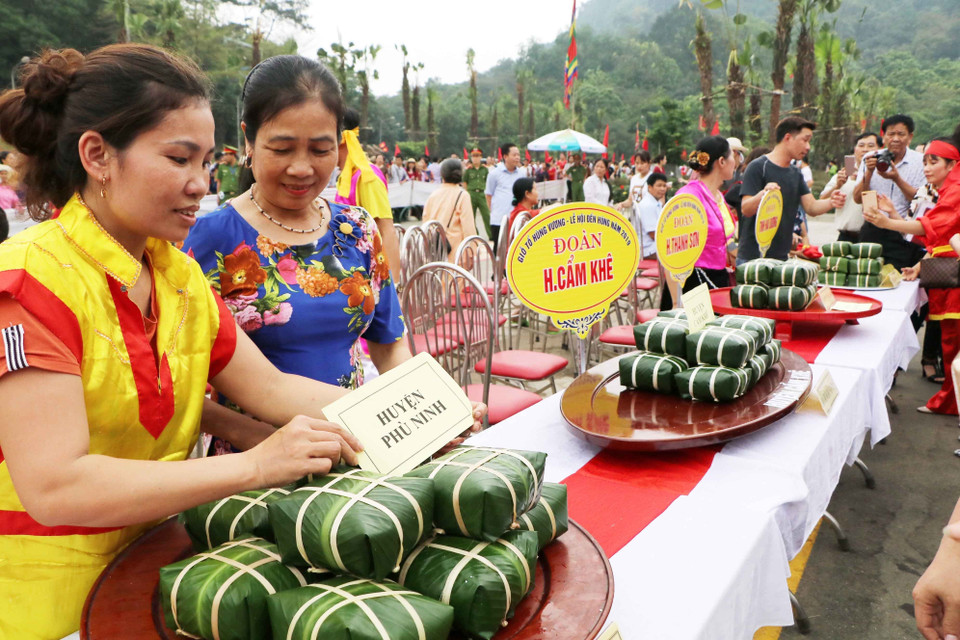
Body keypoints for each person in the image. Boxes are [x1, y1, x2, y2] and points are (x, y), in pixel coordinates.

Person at [0, 44, 368, 640]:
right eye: (178, 159)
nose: (201, 184)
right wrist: (254, 466)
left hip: (159, 572)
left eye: (207, 163)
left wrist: (418, 414)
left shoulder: (179, 277)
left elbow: (271, 388)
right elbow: (56, 486)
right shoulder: (28, 281)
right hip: (51, 606)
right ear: (97, 155)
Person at [863, 137, 960, 415]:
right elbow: (935, 235)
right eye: (926, 161)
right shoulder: (945, 190)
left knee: (953, 345)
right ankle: (949, 400)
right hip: (946, 276)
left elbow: (931, 227)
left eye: (934, 162)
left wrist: (887, 221)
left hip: (954, 281)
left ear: (952, 165)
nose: (927, 167)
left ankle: (951, 402)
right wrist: (921, 264)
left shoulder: (955, 191)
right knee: (950, 344)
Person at [739, 116, 846, 262]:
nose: (808, 147)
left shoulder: (795, 173)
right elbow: (746, 208)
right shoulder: (758, 167)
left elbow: (811, 207)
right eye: (805, 140)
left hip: (782, 259)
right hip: (753, 259)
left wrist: (831, 202)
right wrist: (763, 195)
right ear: (788, 138)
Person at [853, 114, 927, 269]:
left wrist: (896, 179)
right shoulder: (870, 157)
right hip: (872, 229)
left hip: (903, 230)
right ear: (883, 136)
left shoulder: (921, 161)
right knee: (866, 276)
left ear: (910, 137)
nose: (895, 139)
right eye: (891, 134)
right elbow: (858, 198)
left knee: (900, 280)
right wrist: (869, 171)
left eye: (901, 134)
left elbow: (920, 201)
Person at [335, 108, 401, 280]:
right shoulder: (344, 177)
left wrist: (394, 288)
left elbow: (386, 231)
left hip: (369, 278)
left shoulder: (366, 177)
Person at [820, 132, 881, 243]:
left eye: (871, 146)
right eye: (861, 145)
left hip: (873, 239)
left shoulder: (884, 175)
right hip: (845, 237)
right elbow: (821, 201)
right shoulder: (844, 173)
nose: (865, 149)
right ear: (855, 149)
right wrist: (838, 185)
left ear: (880, 149)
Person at [421, 158, 477, 260]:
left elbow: (425, 221)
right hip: (456, 251)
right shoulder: (463, 195)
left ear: (442, 174)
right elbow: (468, 227)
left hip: (436, 249)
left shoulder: (433, 195)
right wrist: (471, 251)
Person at [485, 142, 522, 251]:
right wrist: (494, 212)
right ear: (505, 156)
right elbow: (488, 195)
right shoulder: (494, 174)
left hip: (516, 220)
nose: (517, 157)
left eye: (518, 155)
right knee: (499, 250)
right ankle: (499, 269)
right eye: (514, 155)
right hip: (498, 220)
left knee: (515, 250)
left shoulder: (521, 173)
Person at [634, 172, 667, 260]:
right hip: (649, 250)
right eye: (659, 185)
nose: (662, 189)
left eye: (664, 186)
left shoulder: (656, 203)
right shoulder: (647, 205)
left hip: (656, 246)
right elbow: (653, 234)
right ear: (650, 187)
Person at [463, 147, 491, 238]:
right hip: (472, 193)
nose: (475, 158)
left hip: (482, 193)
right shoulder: (468, 170)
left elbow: (488, 182)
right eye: (473, 156)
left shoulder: (485, 170)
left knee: (487, 215)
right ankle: (474, 235)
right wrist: (467, 193)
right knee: (471, 216)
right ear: (471, 157)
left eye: (477, 156)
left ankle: (491, 236)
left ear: (481, 157)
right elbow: (465, 182)